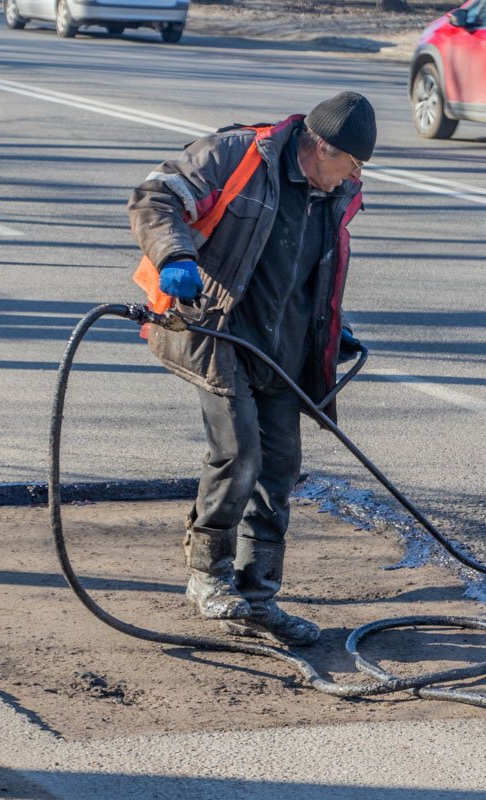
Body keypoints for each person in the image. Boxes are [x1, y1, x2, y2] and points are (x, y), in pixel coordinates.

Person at [128, 92, 376, 646]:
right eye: (351, 165)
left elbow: (309, 267)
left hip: (283, 346)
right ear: (320, 146)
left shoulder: (335, 191)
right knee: (238, 453)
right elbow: (155, 197)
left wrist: (334, 326)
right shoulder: (239, 154)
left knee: (281, 467)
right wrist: (176, 258)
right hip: (218, 329)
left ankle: (259, 593)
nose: (353, 178)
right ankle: (209, 576)